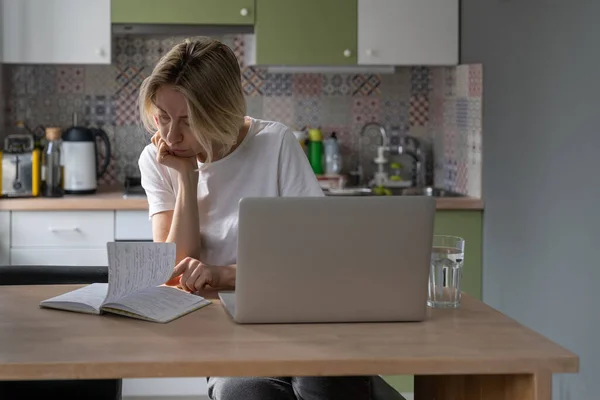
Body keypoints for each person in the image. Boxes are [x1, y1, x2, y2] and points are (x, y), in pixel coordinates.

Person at [137, 37, 373, 400]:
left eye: (188, 120)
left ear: (220, 111)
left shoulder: (274, 143)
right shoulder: (159, 160)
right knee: (246, 393)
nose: (171, 135)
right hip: (227, 336)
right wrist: (186, 178)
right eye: (163, 117)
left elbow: (318, 261)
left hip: (300, 321)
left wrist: (223, 274)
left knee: (328, 381)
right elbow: (173, 274)